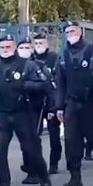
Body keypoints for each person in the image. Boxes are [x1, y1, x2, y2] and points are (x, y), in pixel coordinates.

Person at [54, 21, 93, 186]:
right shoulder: (63, 55)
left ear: (80, 32)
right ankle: (75, 177)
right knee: (71, 141)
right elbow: (60, 83)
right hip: (71, 104)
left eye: (73, 31)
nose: (70, 34)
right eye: (67, 32)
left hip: (90, 103)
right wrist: (59, 107)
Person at [0, 35, 51, 186]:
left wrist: (26, 85)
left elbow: (45, 84)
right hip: (3, 114)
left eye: (8, 47)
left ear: (15, 47)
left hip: (23, 113)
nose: (5, 50)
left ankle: (43, 177)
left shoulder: (27, 65)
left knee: (31, 149)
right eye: (2, 47)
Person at [31, 33, 61, 174]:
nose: (39, 46)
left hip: (51, 101)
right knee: (34, 136)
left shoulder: (54, 58)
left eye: (41, 43)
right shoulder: (31, 59)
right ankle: (37, 164)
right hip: (36, 102)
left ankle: (54, 163)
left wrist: (55, 106)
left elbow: (58, 82)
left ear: (47, 44)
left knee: (54, 135)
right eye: (36, 43)